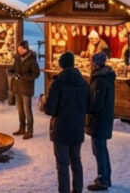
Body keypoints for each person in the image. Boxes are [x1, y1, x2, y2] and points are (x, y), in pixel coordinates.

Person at [45, 52, 90, 193]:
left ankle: (64, 190)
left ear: (62, 64)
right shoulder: (84, 83)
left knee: (63, 163)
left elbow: (50, 109)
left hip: (61, 129)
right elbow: (88, 106)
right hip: (77, 128)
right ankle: (77, 190)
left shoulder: (58, 84)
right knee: (76, 160)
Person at [87, 52, 115, 191]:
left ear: (96, 64)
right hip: (103, 120)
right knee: (102, 149)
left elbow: (96, 104)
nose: (90, 64)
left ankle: (103, 180)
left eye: (92, 62)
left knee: (99, 150)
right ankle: (105, 177)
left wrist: (87, 108)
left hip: (99, 121)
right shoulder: (104, 78)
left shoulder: (100, 81)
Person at [9, 40, 40, 139]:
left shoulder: (31, 60)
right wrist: (10, 72)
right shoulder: (17, 58)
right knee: (20, 109)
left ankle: (30, 131)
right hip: (17, 88)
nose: (19, 49)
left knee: (27, 110)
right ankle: (22, 128)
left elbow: (36, 74)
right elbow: (13, 68)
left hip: (26, 89)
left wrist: (23, 76)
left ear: (25, 49)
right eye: (18, 48)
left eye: (21, 48)